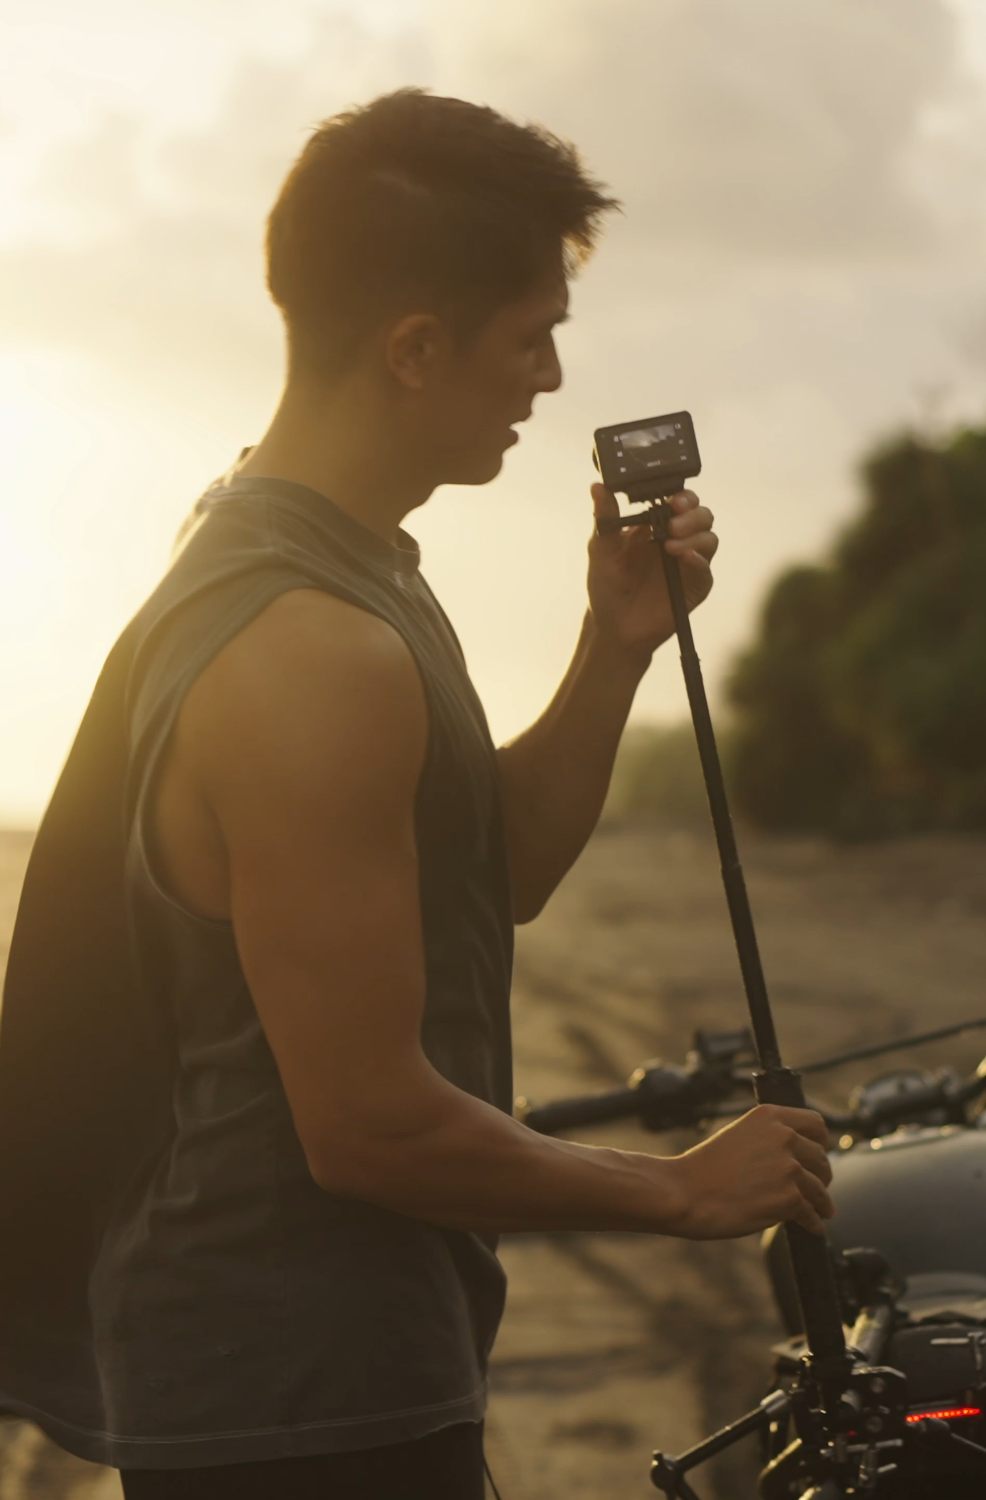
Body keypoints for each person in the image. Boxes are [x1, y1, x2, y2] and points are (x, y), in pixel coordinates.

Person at [0, 89, 833, 1499]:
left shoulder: (348, 565)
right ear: (415, 349)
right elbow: (367, 1124)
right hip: (288, 1399)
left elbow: (483, 870)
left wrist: (613, 646)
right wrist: (683, 1189)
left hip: (343, 1361)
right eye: (531, 339)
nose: (552, 381)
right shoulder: (307, 648)